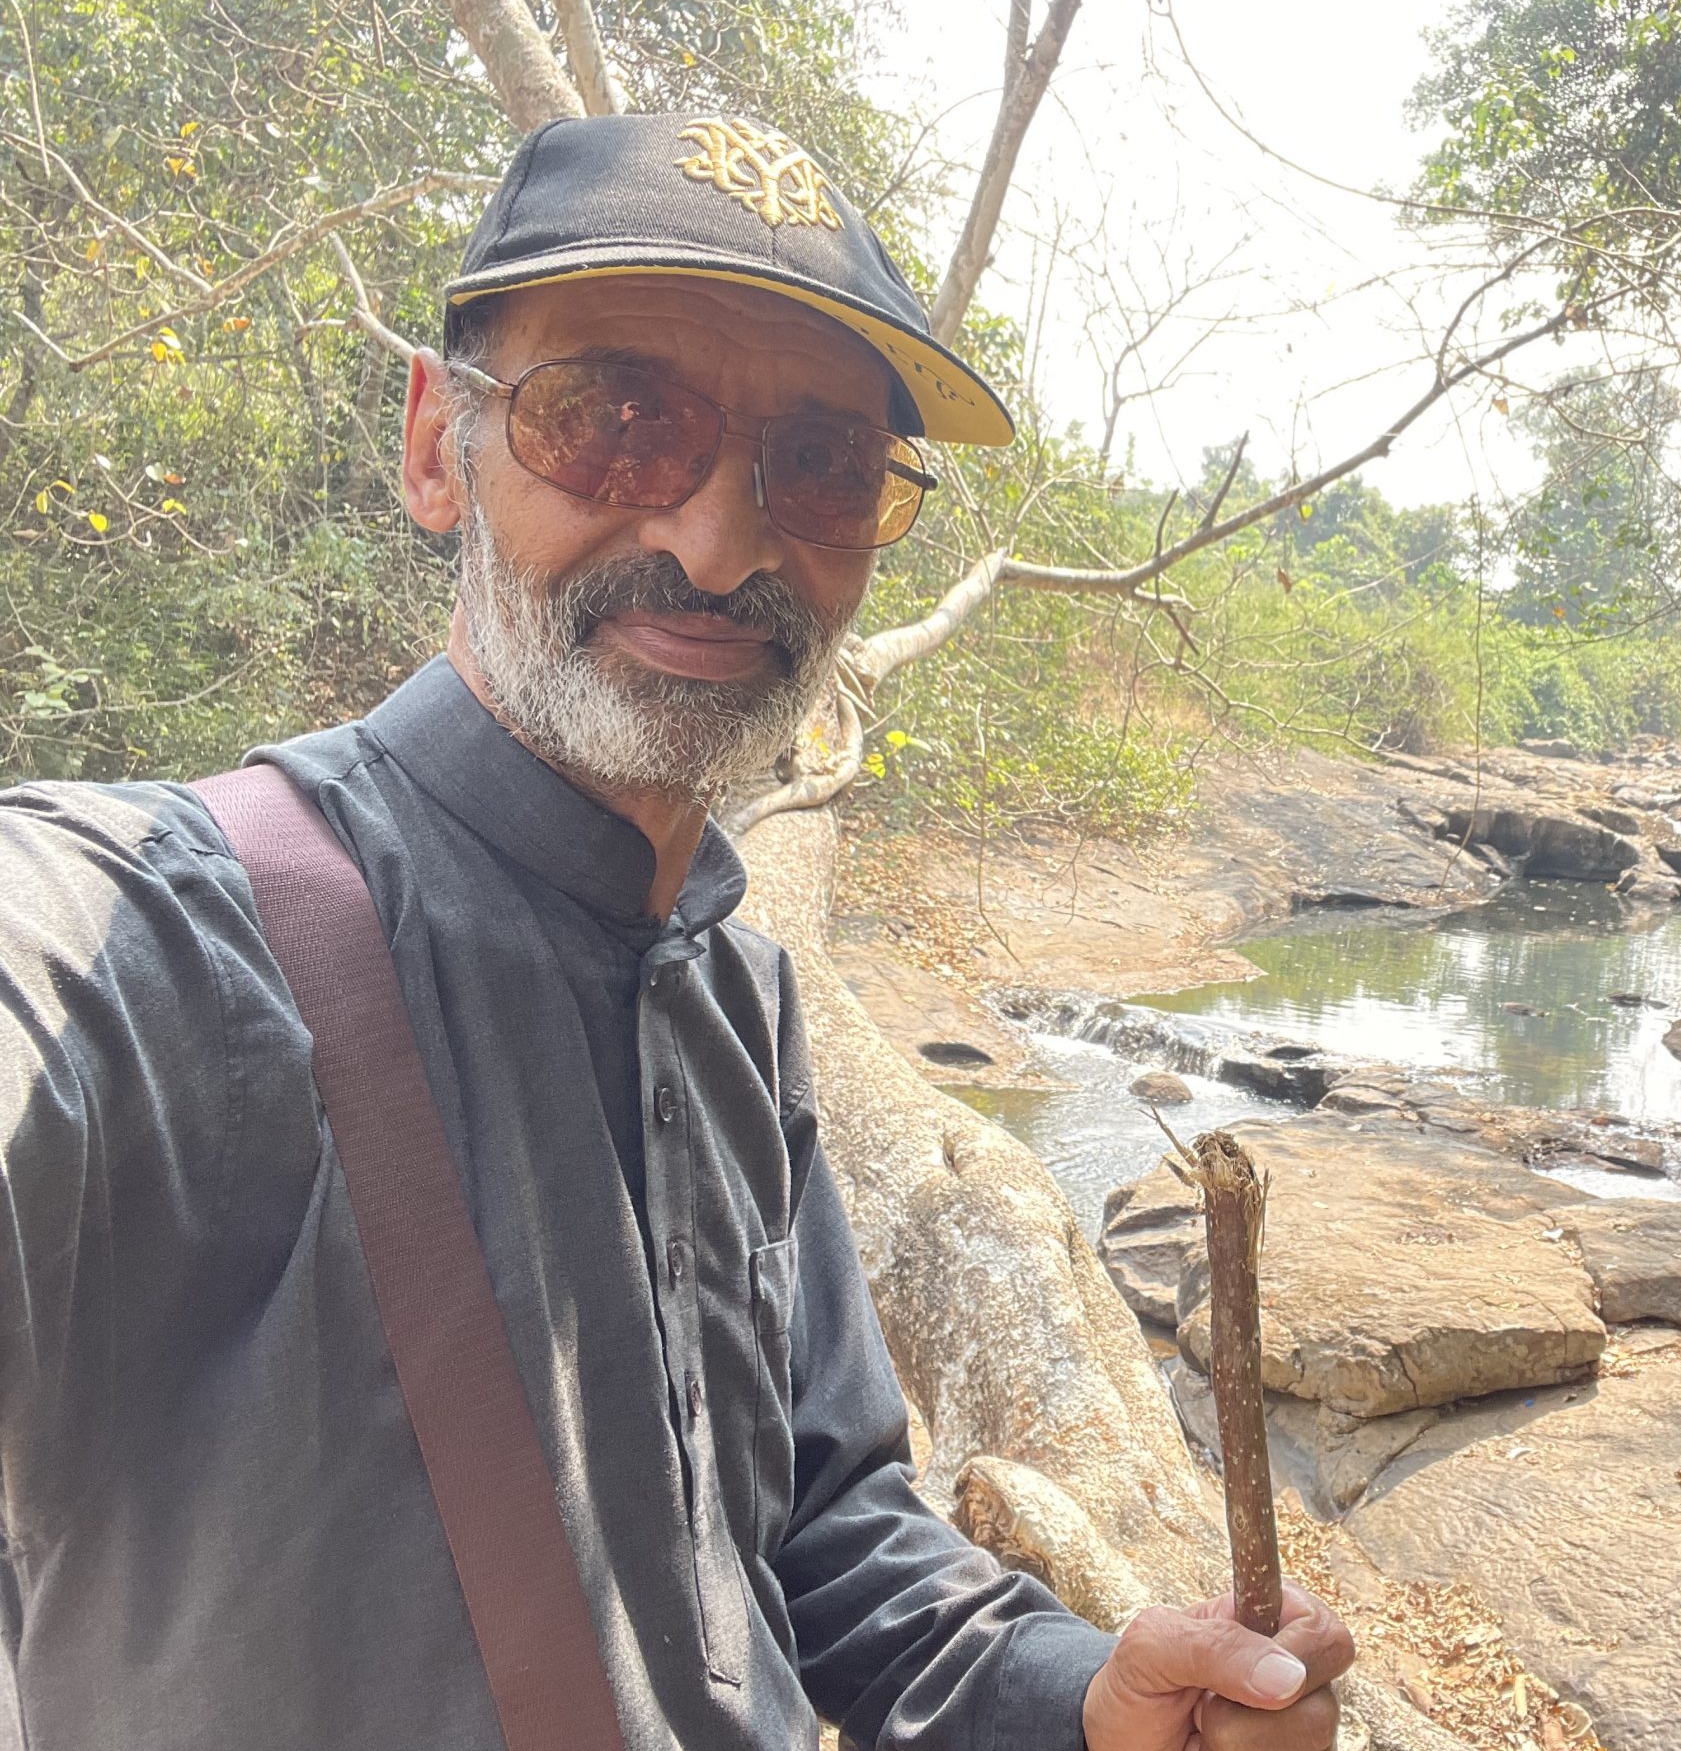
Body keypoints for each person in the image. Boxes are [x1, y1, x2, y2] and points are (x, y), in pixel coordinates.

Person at [0, 113, 1352, 1751]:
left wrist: (1092, 1705)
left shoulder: (739, 1003)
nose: (719, 541)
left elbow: (819, 1538)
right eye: (616, 424)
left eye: (824, 462)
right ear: (437, 448)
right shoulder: (154, 933)